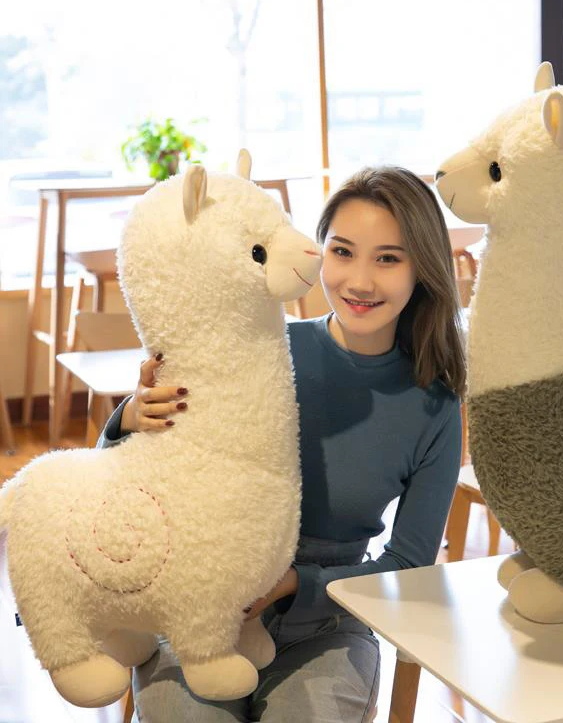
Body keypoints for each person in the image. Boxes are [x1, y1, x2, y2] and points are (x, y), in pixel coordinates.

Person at [98, 165, 466, 723]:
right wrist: (129, 421)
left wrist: (297, 584)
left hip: (328, 622)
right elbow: (123, 493)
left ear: (424, 268)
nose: (360, 281)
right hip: (201, 603)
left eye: (388, 259)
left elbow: (408, 566)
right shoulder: (258, 347)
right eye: (342, 252)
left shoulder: (434, 405)